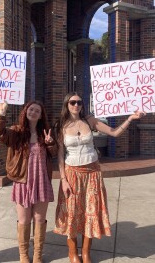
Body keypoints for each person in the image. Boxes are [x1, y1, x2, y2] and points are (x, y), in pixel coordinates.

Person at [53, 92, 146, 263]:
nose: (76, 105)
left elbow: (114, 132)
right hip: (72, 173)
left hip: (92, 173)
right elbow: (60, 155)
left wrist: (130, 118)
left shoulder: (90, 120)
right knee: (72, 212)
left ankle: (86, 252)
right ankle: (73, 252)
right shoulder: (61, 125)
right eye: (72, 102)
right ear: (67, 104)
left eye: (79, 102)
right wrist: (63, 180)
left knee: (91, 212)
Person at [0, 100, 57, 263]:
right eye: (31, 109)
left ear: (41, 115)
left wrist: (50, 144)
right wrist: (1, 113)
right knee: (24, 220)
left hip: (42, 181)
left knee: (40, 220)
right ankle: (23, 255)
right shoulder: (16, 131)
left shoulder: (45, 133)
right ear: (25, 111)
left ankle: (37, 255)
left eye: (37, 111)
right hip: (23, 181)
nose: (33, 112)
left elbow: (54, 152)